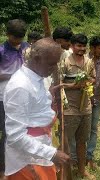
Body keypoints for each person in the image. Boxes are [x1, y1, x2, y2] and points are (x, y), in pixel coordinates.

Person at [3, 38, 70, 179]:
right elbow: (15, 136)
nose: (54, 69)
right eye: (51, 64)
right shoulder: (20, 86)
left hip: (39, 153)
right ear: (37, 59)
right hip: (27, 161)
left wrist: (48, 97)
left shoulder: (37, 77)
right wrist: (51, 153)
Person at [61, 34, 95, 179]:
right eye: (78, 46)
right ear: (72, 46)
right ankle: (64, 172)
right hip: (70, 109)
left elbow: (93, 78)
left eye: (83, 46)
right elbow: (60, 84)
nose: (81, 49)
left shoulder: (89, 62)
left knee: (82, 141)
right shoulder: (65, 62)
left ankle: (82, 170)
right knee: (66, 143)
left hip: (85, 108)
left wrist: (88, 83)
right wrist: (75, 86)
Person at [0, 19, 28, 179]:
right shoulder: (2, 50)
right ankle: (4, 170)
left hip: (24, 98)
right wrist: (14, 76)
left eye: (20, 37)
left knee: (23, 132)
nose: (18, 41)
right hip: (4, 98)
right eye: (15, 37)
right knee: (7, 133)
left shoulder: (27, 48)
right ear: (7, 34)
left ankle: (22, 166)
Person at [86, 36, 100, 169]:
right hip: (83, 100)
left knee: (93, 129)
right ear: (92, 48)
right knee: (82, 129)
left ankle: (89, 157)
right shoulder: (84, 60)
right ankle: (79, 157)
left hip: (96, 99)